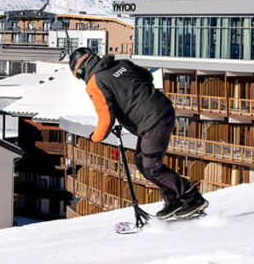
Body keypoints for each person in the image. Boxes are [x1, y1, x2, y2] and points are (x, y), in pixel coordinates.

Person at [69, 47, 207, 220]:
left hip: (152, 120)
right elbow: (147, 77)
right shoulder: (121, 64)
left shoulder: (95, 81)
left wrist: (95, 137)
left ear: (80, 70)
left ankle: (192, 198)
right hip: (160, 110)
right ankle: (173, 201)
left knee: (151, 166)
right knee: (142, 162)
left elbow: (105, 117)